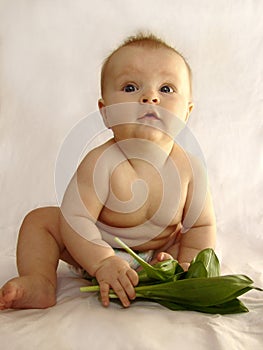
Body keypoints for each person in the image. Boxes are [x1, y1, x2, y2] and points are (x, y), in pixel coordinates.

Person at [0, 33, 216, 310]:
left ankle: (161, 276)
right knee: (41, 221)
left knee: (183, 243)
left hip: (156, 260)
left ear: (187, 112)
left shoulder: (190, 170)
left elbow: (200, 226)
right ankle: (39, 281)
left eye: (166, 89)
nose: (150, 97)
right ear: (106, 112)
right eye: (130, 88)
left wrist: (189, 265)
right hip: (91, 250)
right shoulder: (101, 162)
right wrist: (102, 260)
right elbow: (76, 219)